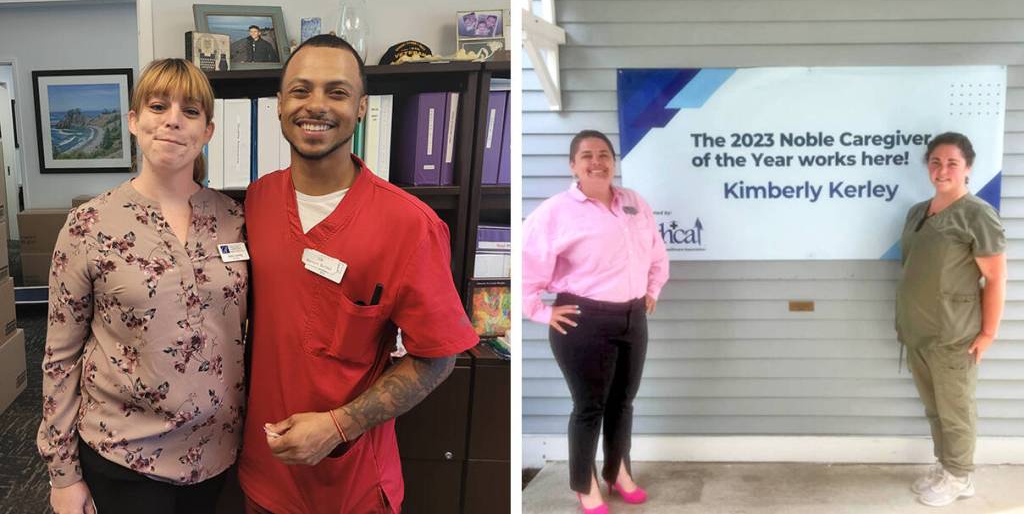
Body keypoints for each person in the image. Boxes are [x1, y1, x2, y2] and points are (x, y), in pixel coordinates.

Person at [238, 34, 479, 514]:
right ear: (280, 104)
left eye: (338, 91)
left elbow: (437, 358)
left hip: (352, 488)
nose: (317, 105)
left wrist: (338, 425)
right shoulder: (257, 201)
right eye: (301, 90)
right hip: (263, 478)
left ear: (363, 107)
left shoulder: (409, 225)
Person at [38, 58, 248, 514]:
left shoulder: (235, 220)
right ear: (133, 121)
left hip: (216, 452)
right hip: (124, 453)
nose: (173, 119)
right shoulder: (88, 225)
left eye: (190, 111)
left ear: (208, 131)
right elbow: (60, 357)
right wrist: (62, 473)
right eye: (158, 106)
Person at [522, 129, 669, 513]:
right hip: (582, 321)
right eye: (586, 155)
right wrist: (539, 310)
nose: (596, 161)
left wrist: (652, 289)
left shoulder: (635, 203)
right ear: (573, 165)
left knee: (623, 403)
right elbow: (526, 266)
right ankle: (584, 484)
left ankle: (617, 472)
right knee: (589, 406)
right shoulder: (555, 212)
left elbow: (656, 253)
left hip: (633, 317)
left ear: (613, 162)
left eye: (604, 154)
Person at [896, 132, 1006, 507]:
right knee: (935, 408)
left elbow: (994, 278)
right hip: (918, 332)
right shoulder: (917, 212)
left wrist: (988, 332)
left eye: (952, 163)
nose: (942, 170)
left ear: (968, 168)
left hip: (954, 334)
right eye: (936, 162)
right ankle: (947, 467)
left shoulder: (978, 215)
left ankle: (960, 476)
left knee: (956, 410)